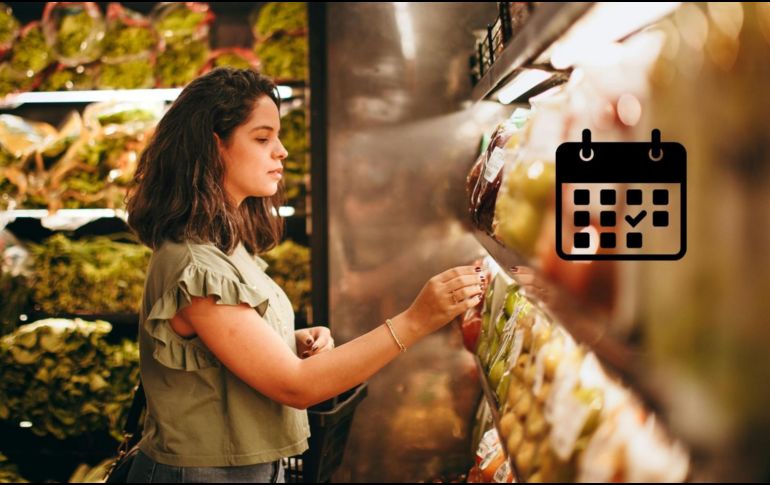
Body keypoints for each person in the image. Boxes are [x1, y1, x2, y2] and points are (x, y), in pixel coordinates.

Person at [124, 68, 486, 483]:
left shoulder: (225, 247)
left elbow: (221, 354)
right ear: (214, 147)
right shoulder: (195, 267)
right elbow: (297, 387)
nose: (281, 151)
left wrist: (286, 342)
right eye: (262, 138)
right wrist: (416, 320)